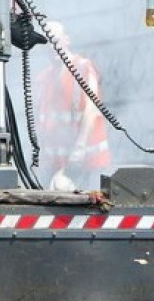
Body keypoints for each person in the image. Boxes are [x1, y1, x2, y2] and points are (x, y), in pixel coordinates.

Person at [36, 21, 111, 191]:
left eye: (55, 38)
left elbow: (90, 110)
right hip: (57, 168)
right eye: (46, 40)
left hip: (87, 165)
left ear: (67, 40)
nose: (51, 44)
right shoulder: (43, 78)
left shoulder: (83, 68)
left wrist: (78, 150)